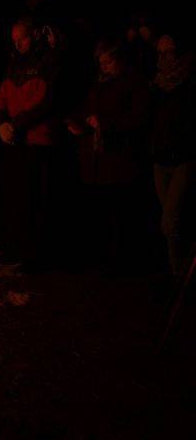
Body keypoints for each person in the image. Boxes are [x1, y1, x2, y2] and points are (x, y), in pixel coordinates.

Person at [66, 42, 150, 271]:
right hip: (97, 160)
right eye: (101, 62)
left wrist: (107, 124)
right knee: (100, 209)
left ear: (120, 59)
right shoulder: (99, 85)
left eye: (108, 61)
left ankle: (122, 260)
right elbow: (88, 110)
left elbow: (137, 119)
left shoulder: (133, 83)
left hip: (119, 159)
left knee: (119, 212)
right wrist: (78, 123)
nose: (104, 66)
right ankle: (102, 257)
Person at [0, 21, 60, 269]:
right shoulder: (14, 63)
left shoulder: (46, 62)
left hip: (36, 139)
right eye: (14, 40)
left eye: (21, 38)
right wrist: (0, 123)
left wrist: (15, 124)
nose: (18, 43)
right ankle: (15, 247)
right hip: (14, 139)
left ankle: (34, 253)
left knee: (33, 198)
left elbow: (44, 102)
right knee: (14, 196)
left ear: (33, 36)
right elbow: (1, 97)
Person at [150, 34, 195, 276]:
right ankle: (177, 273)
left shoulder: (187, 85)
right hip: (161, 159)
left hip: (182, 159)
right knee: (173, 222)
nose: (164, 57)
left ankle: (180, 276)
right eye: (160, 52)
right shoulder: (157, 85)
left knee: (170, 222)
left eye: (169, 52)